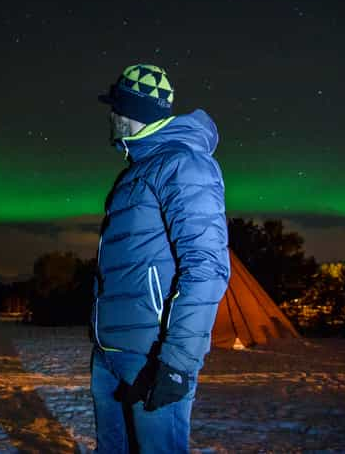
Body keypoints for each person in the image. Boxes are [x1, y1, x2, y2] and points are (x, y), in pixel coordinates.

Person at [90, 63, 230, 453]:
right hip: (110, 353)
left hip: (150, 357)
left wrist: (178, 362)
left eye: (114, 107)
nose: (110, 115)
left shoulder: (183, 165)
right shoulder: (136, 171)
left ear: (128, 110)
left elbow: (207, 267)